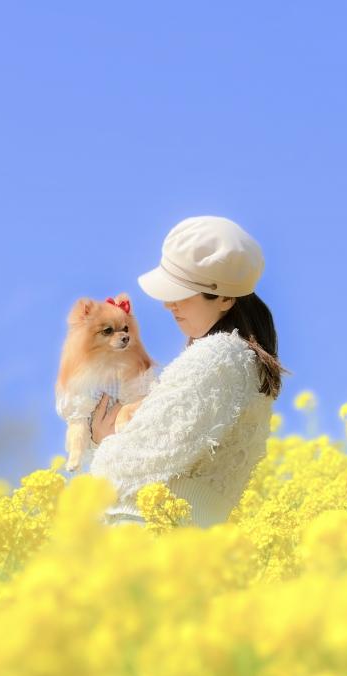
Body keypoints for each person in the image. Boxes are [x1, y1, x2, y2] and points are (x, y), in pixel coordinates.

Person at [88, 215, 289, 528]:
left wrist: (106, 437)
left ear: (224, 298)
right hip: (177, 540)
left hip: (147, 534)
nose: (169, 305)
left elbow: (137, 463)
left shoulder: (220, 356)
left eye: (180, 292)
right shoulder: (235, 359)